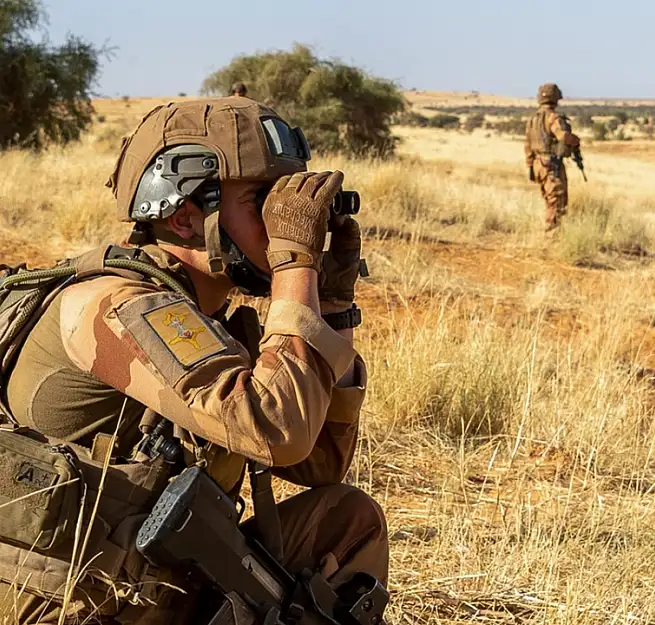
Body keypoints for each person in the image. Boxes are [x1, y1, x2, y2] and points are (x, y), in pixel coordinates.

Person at [0, 97, 387, 624]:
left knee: (347, 520)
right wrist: (294, 261)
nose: (284, 222)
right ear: (184, 216)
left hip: (160, 577)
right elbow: (277, 428)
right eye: (262, 202)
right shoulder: (120, 306)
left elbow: (318, 463)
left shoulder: (207, 317)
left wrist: (332, 303)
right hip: (81, 600)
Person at [524, 82, 580, 231]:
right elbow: (562, 136)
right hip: (551, 165)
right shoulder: (553, 118)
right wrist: (575, 140)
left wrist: (530, 166)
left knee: (549, 200)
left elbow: (527, 145)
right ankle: (552, 236)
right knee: (556, 201)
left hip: (538, 165)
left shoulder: (533, 120)